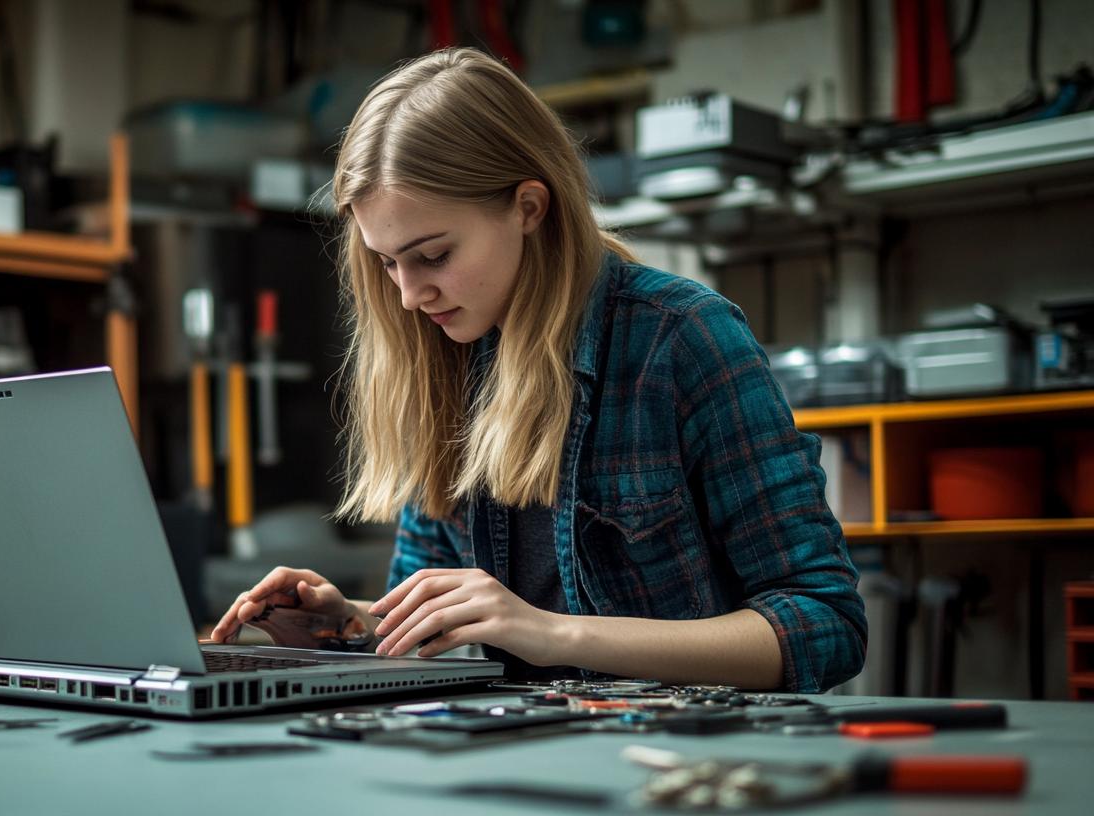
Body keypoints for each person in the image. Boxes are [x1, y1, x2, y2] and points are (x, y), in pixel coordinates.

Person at [210, 48, 866, 692]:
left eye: (433, 255)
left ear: (529, 207)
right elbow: (436, 628)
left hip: (682, 769)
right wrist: (349, 625)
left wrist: (554, 632)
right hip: (526, 762)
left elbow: (824, 624)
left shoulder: (682, 338)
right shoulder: (444, 362)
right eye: (387, 262)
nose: (409, 295)